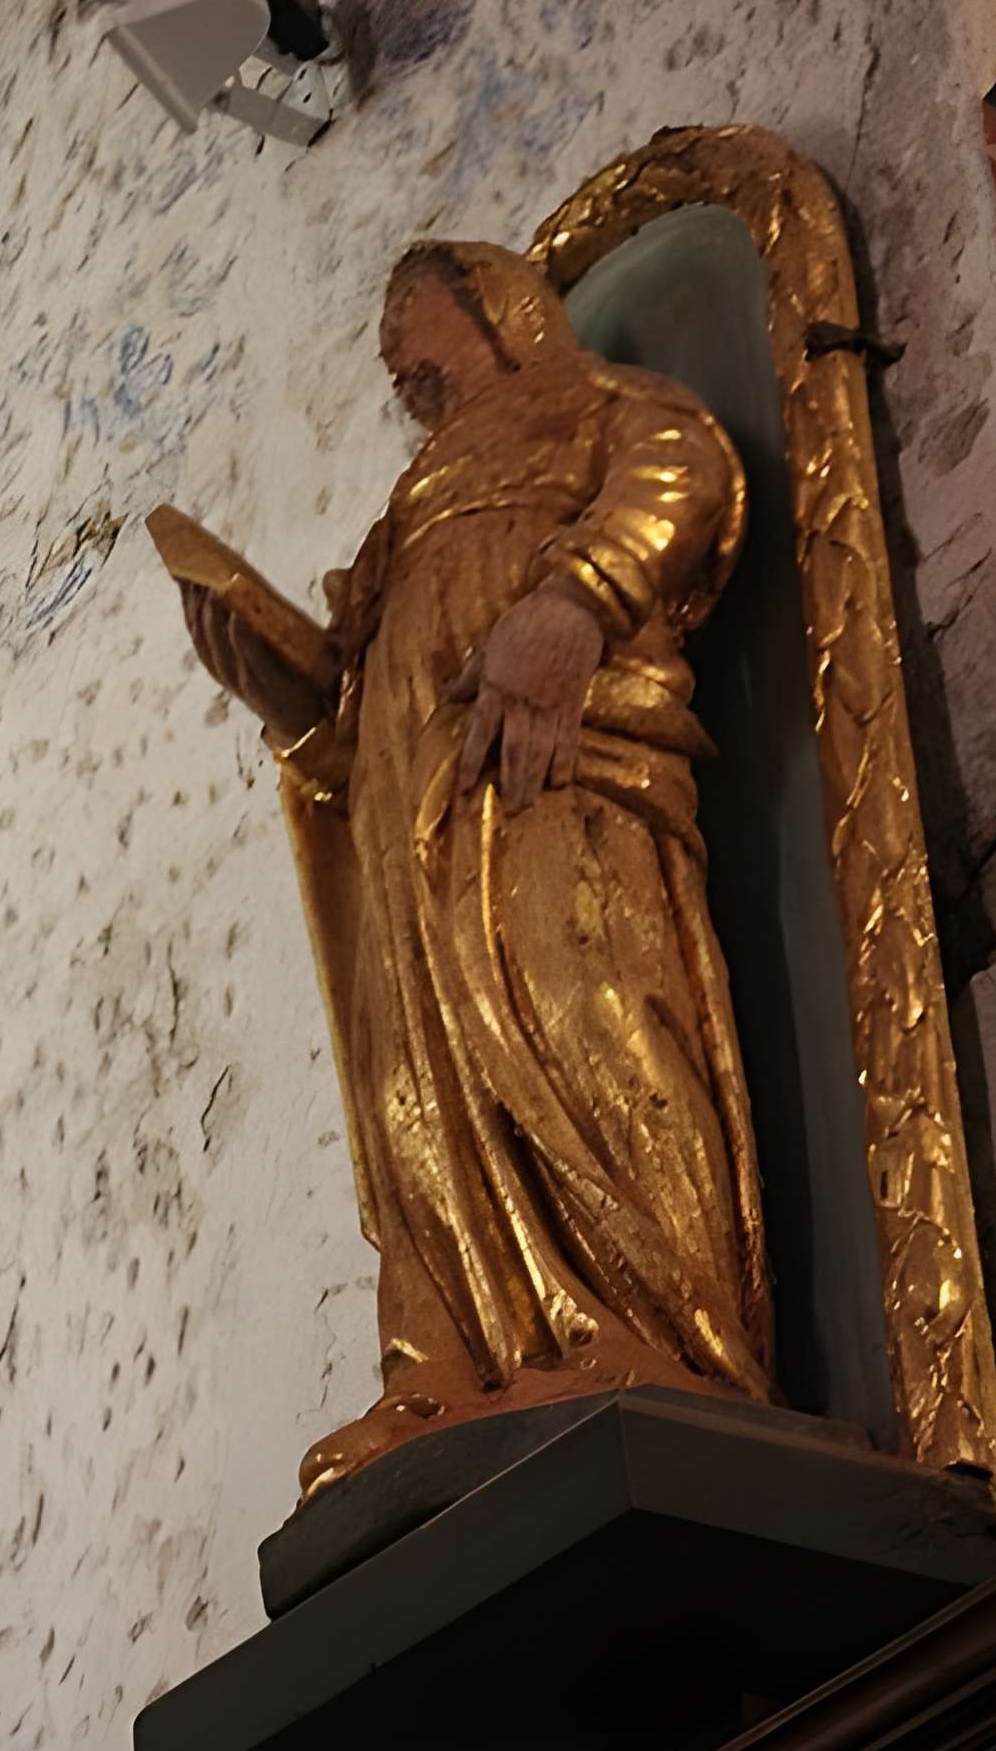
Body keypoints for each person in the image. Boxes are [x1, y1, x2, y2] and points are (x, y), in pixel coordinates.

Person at [150, 238, 773, 1501]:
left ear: (494, 305)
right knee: (413, 1087)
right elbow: (343, 698)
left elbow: (683, 477)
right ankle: (445, 1366)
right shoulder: (407, 508)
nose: (389, 353)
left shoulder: (602, 401)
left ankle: (650, 1329)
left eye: (404, 316)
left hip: (546, 756)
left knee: (576, 1006)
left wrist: (569, 607)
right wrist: (280, 680)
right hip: (403, 809)